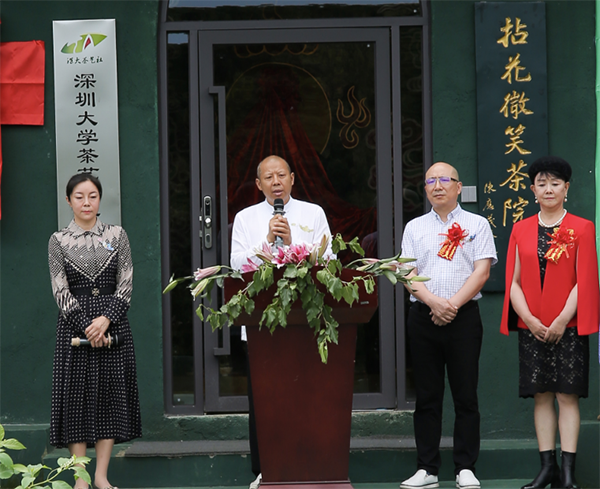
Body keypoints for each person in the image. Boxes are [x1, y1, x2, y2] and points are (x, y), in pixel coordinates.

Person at [230, 155, 333, 489]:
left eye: (281, 175)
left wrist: (293, 245)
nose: (275, 182)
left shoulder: (313, 213)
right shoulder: (245, 218)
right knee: (264, 398)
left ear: (292, 178)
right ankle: (265, 469)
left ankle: (309, 462)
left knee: (307, 392)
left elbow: (329, 260)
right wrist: (266, 245)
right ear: (258, 185)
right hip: (262, 322)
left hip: (305, 319)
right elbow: (236, 264)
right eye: (268, 177)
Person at [500, 156, 599, 489]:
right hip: (533, 329)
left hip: (567, 327)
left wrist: (560, 320)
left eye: (555, 183)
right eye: (541, 183)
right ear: (532, 190)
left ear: (566, 188)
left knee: (567, 396)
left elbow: (583, 281)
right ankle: (547, 469)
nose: (548, 189)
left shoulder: (582, 227)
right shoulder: (520, 229)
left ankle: (568, 473)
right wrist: (528, 318)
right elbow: (512, 283)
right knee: (541, 395)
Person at [399, 162, 497, 489]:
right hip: (423, 317)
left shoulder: (477, 224)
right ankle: (427, 468)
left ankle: (465, 467)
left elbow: (482, 272)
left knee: (465, 394)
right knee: (427, 395)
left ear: (458, 186)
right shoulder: (413, 227)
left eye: (445, 180)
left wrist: (451, 305)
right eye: (431, 180)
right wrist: (434, 303)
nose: (437, 185)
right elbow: (407, 274)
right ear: (425, 188)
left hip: (464, 318)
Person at [48, 173, 142, 489]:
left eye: (92, 196)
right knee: (75, 399)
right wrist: (87, 327)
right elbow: (60, 291)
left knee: (109, 399)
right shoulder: (58, 241)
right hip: (74, 327)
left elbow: (126, 283)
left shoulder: (118, 235)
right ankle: (81, 478)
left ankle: (101, 476)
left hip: (112, 326)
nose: (86, 202)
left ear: (100, 199)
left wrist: (106, 319)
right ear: (68, 200)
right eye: (79, 196)